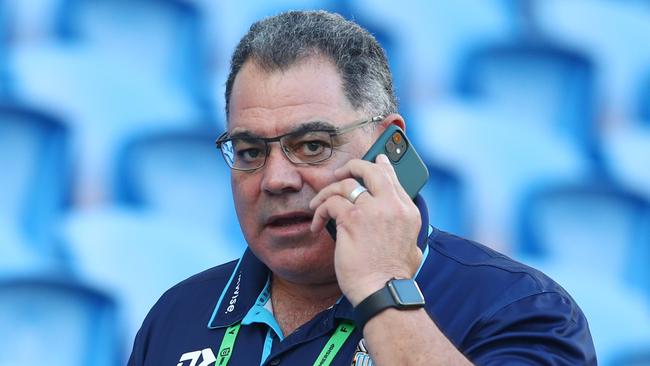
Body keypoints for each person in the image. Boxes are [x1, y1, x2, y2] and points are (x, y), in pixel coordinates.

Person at [128, 10, 596, 366]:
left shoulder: (515, 307)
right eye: (250, 151)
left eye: (311, 145)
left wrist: (381, 290)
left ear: (387, 148)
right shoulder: (179, 313)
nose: (276, 179)